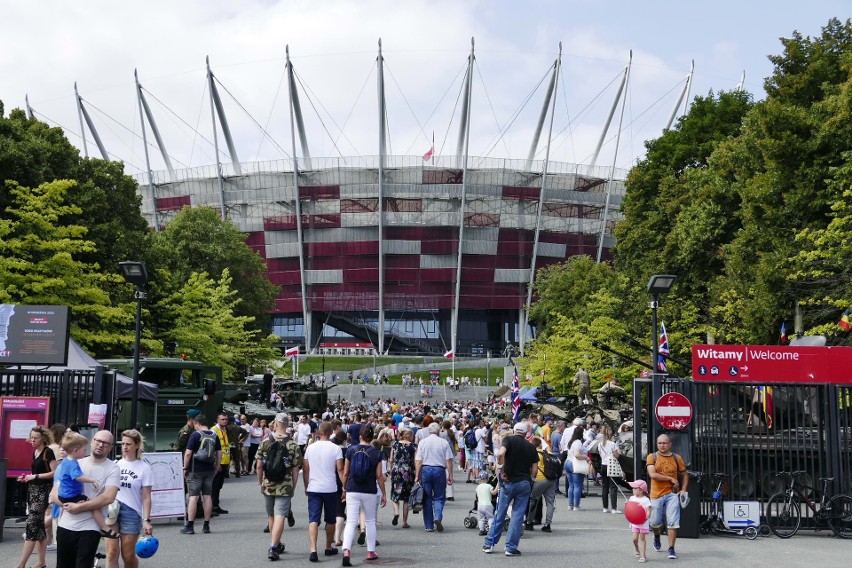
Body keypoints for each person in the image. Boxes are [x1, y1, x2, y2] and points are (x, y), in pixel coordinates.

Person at [51, 430, 120, 568]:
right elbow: (54, 493)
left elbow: (108, 497)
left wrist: (79, 507)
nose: (100, 445)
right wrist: (67, 506)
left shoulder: (113, 468)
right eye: (98, 441)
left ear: (111, 447)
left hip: (90, 528)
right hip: (66, 525)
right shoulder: (73, 462)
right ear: (92, 441)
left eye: (105, 443)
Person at [482, 422, 538, 556]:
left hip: (508, 481)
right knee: (517, 516)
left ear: (514, 431)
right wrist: (530, 480)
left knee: (500, 513)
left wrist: (501, 470)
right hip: (524, 482)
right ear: (525, 434)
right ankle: (510, 547)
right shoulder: (531, 447)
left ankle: (489, 544)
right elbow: (535, 470)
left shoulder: (508, 440)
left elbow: (500, 454)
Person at [257, 413, 303, 561]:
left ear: (275, 424)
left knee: (271, 515)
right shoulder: (293, 444)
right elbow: (296, 469)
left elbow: (259, 466)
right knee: (280, 516)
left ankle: (274, 543)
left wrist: (260, 482)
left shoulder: (265, 442)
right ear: (288, 425)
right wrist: (293, 486)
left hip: (268, 483)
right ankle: (274, 546)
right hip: (285, 483)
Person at [105, 429, 153, 568]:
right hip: (112, 508)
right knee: (112, 552)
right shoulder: (115, 464)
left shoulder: (144, 468)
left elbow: (146, 496)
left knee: (128, 555)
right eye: (123, 443)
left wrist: (146, 520)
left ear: (137, 445)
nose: (125, 447)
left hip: (132, 512)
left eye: (128, 444)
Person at [341, 424, 385, 566]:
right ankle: (371, 551)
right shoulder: (376, 453)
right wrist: (384, 493)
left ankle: (347, 550)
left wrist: (344, 488)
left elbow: (346, 472)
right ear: (372, 438)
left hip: (353, 488)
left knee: (351, 521)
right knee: (370, 521)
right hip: (369, 490)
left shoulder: (351, 450)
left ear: (360, 436)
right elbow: (379, 476)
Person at [14, 426, 56, 568]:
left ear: (43, 438)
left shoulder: (48, 452)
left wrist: (35, 476)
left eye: (35, 437)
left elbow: (54, 472)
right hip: (32, 490)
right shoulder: (35, 452)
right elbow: (36, 474)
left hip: (42, 492)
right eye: (31, 437)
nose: (32, 440)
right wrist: (27, 478)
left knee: (32, 526)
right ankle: (41, 562)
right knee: (39, 528)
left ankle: (21, 564)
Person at [303, 421, 344, 562]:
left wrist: (306, 485)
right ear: (330, 432)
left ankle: (313, 549)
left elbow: (306, 470)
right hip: (330, 488)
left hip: (314, 487)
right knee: (330, 519)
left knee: (313, 519)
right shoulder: (336, 448)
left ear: (319, 433)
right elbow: (340, 470)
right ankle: (328, 546)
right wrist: (344, 487)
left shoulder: (310, 448)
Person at [646, 434, 688, 559]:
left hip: (672, 494)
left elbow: (685, 474)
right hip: (656, 494)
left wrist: (684, 489)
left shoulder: (676, 458)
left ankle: (671, 548)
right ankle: (657, 536)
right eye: (659, 443)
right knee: (654, 522)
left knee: (673, 522)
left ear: (670, 444)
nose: (662, 445)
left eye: (664, 443)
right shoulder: (652, 457)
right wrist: (670, 478)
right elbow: (653, 475)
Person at [181, 415, 222, 535]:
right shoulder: (214, 435)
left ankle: (190, 526)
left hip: (195, 470)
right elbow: (219, 454)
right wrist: (216, 467)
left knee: (193, 497)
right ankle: (206, 525)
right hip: (209, 469)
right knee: (207, 496)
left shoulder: (196, 435)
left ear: (197, 423)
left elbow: (188, 453)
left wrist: (185, 468)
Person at [414, 422, 454, 533]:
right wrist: (450, 474)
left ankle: (428, 525)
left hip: (426, 469)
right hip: (439, 470)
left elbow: (418, 460)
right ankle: (438, 516)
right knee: (439, 496)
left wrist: (417, 475)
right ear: (438, 430)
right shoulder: (443, 442)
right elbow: (449, 460)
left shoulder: (423, 442)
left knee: (426, 498)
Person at [526, 437, 556, 533]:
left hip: (539, 480)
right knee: (550, 503)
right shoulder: (549, 453)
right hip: (551, 480)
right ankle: (547, 525)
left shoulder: (534, 454)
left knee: (534, 501)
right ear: (540, 445)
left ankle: (529, 522)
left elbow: (532, 469)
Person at [389, 427, 416, 528]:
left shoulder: (395, 444)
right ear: (408, 436)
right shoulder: (413, 446)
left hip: (397, 471)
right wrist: (417, 473)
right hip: (408, 473)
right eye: (412, 436)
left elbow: (391, 459)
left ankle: (396, 512)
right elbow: (414, 461)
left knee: (396, 493)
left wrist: (391, 470)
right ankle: (404, 522)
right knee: (406, 498)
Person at [210, 412, 232, 515]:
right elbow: (212, 448)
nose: (225, 421)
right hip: (218, 462)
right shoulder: (214, 430)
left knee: (219, 486)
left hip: (225, 462)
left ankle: (216, 505)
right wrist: (216, 463)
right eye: (222, 419)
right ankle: (211, 507)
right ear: (218, 420)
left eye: (226, 419)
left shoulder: (224, 430)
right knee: (214, 485)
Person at [598, 423, 622, 514]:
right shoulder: (613, 444)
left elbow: (601, 455)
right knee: (613, 487)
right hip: (611, 465)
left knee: (605, 486)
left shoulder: (600, 444)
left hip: (603, 465)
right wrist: (618, 452)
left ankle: (605, 507)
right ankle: (614, 508)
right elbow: (616, 455)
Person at [627, 479, 652, 563]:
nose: (632, 489)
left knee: (642, 539)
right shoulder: (632, 498)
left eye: (634, 488)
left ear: (641, 490)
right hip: (634, 522)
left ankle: (643, 556)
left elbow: (648, 510)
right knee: (634, 539)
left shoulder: (645, 500)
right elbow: (629, 509)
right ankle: (636, 547)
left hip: (643, 523)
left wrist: (647, 517)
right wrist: (626, 505)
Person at [475, 471, 498, 536]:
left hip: (480, 505)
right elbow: (493, 493)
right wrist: (497, 487)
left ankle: (481, 530)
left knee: (481, 519)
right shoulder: (489, 486)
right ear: (487, 479)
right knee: (490, 518)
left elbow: (477, 496)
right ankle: (491, 530)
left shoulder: (478, 487)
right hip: (488, 505)